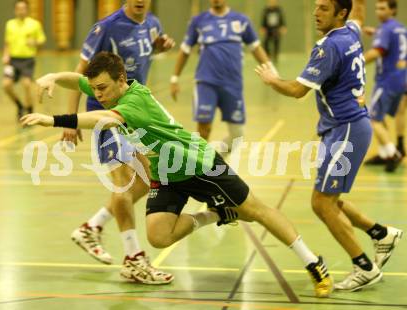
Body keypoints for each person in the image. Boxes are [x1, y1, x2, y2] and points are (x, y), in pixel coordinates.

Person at [22, 51, 334, 298]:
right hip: (166, 172)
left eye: (103, 88)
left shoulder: (133, 103)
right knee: (158, 236)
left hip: (199, 166)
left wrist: (53, 120)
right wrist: (53, 75)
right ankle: (215, 215)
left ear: (121, 79)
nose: (98, 94)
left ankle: (312, 262)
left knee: (257, 211)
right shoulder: (110, 87)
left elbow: (103, 117)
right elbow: (80, 82)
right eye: (97, 88)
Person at [255, 0, 403, 292]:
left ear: (340, 13)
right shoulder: (352, 31)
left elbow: (298, 90)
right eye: (316, 6)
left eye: (323, 8)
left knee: (321, 204)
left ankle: (364, 267)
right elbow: (359, 11)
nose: (315, 13)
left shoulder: (329, 47)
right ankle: (381, 233)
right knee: (329, 199)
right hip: (342, 128)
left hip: (346, 129)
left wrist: (272, 80)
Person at [64, 0, 175, 284]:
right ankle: (133, 258)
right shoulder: (106, 27)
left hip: (134, 111)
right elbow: (80, 72)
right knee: (123, 182)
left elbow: (148, 52)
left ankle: (92, 226)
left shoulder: (153, 24)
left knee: (146, 177)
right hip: (106, 113)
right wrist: (71, 119)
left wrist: (160, 47)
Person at [170, 0, 277, 153]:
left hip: (233, 84)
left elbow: (256, 47)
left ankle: (213, 160)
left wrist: (272, 71)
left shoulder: (241, 20)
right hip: (206, 82)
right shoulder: (198, 21)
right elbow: (185, 50)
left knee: (237, 136)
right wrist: (174, 78)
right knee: (203, 129)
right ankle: (197, 170)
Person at [361, 0, 406, 171]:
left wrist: (354, 62)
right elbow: (395, 42)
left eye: (382, 8)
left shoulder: (386, 29)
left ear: (392, 10)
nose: (378, 12)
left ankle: (393, 153)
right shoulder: (400, 28)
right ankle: (384, 153)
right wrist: (375, 32)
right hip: (401, 79)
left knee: (373, 119)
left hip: (386, 81)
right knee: (380, 117)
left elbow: (377, 52)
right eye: (377, 8)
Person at [2, 0, 46, 118]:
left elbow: (42, 39)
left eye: (23, 8)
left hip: (27, 60)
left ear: (27, 10)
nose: (21, 11)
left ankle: (30, 110)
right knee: (6, 85)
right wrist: (5, 54)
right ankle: (20, 106)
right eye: (18, 8)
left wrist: (34, 42)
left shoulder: (34, 24)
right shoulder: (10, 24)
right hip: (12, 60)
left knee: (26, 84)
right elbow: (7, 42)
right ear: (15, 10)